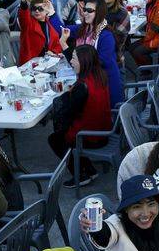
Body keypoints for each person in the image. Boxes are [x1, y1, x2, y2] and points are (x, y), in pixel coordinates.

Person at [48, 45, 112, 187]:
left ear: (84, 61)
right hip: (104, 129)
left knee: (55, 139)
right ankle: (89, 169)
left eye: (74, 58)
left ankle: (81, 174)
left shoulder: (83, 86)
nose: (71, 61)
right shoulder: (100, 75)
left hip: (90, 136)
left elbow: (69, 113)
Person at [51, 0, 123, 108]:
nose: (85, 13)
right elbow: (61, 30)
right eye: (84, 9)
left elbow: (100, 63)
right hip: (88, 82)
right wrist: (51, 13)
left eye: (90, 10)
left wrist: (70, 53)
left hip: (105, 87)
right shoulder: (84, 29)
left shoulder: (106, 36)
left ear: (99, 12)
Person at [16, 0, 63, 65]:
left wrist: (53, 52)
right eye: (34, 8)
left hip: (47, 64)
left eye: (40, 8)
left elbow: (57, 46)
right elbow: (23, 15)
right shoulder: (28, 23)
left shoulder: (51, 24)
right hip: (30, 65)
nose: (37, 11)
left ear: (47, 10)